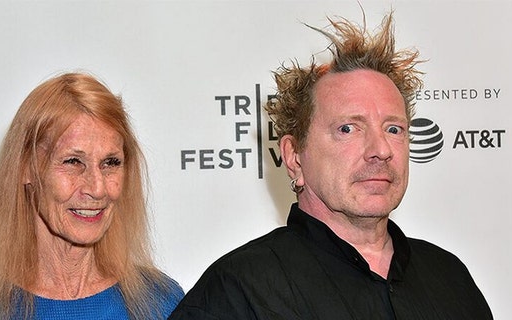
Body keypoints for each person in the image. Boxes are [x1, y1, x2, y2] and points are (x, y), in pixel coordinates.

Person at [169, 12, 493, 320]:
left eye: (393, 129)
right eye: (348, 129)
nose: (380, 150)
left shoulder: (449, 277)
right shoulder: (237, 293)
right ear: (294, 156)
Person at [0, 72, 183, 319]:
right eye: (73, 161)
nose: (97, 188)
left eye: (110, 163)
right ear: (25, 167)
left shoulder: (160, 302)